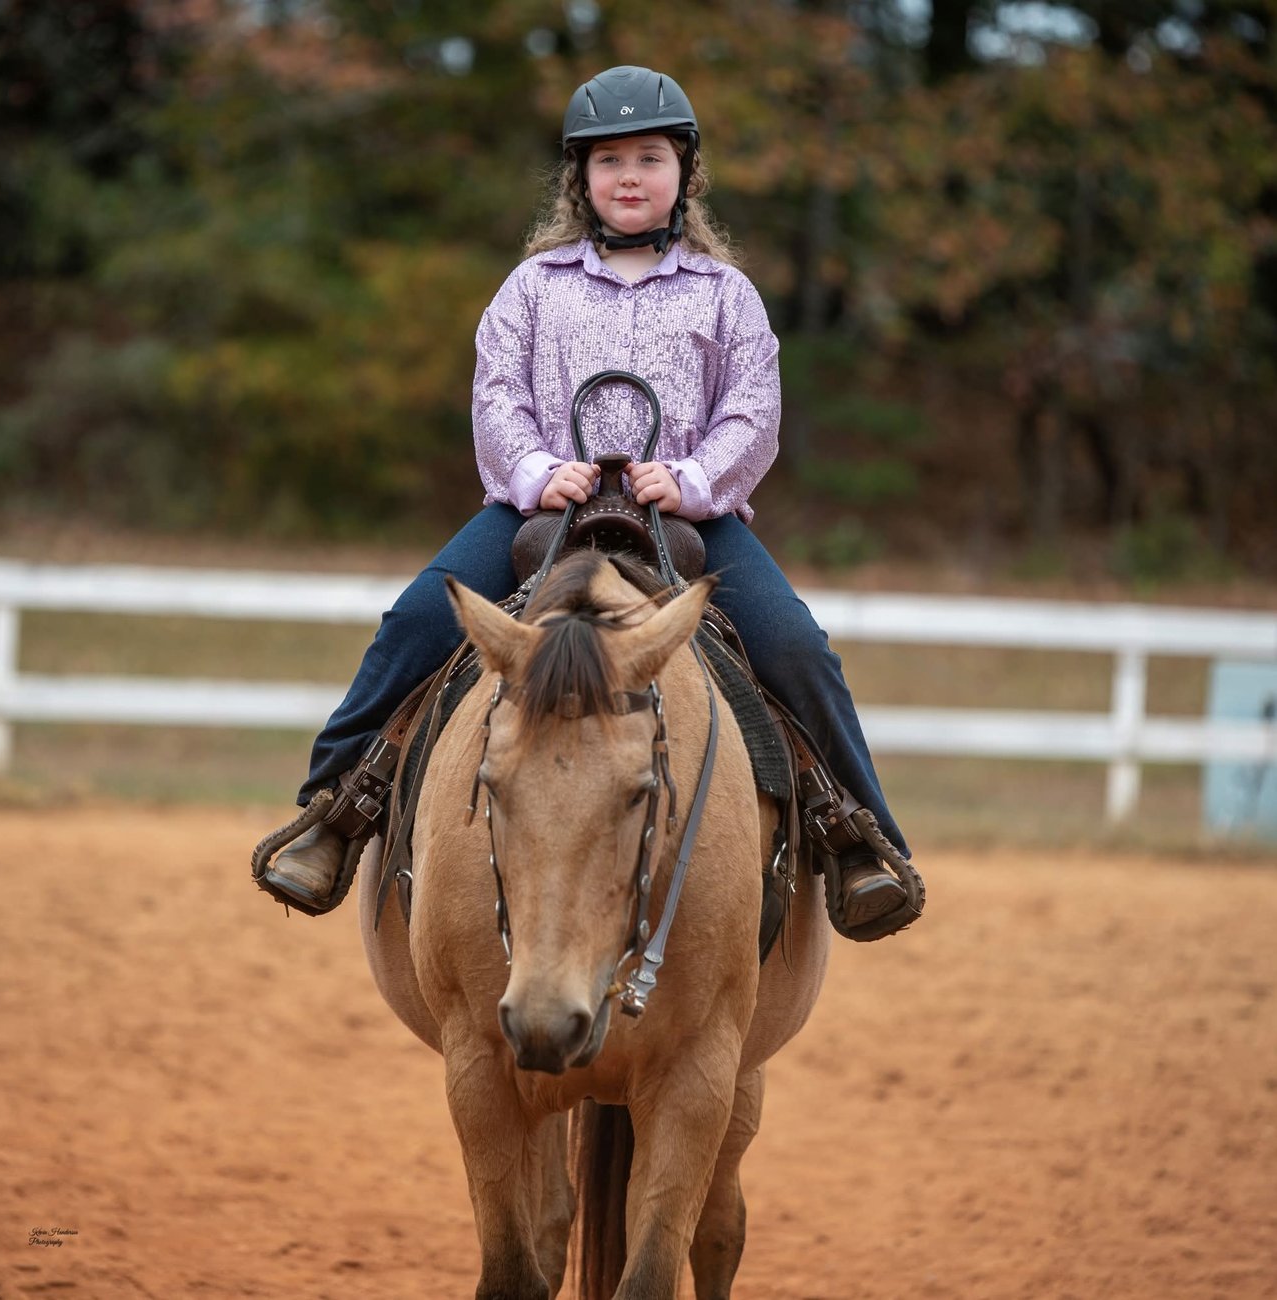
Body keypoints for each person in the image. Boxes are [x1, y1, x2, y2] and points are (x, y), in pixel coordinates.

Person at [261, 65, 916, 938]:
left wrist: (687, 480)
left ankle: (859, 839)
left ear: (686, 172)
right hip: (541, 514)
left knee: (796, 647)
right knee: (416, 621)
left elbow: (753, 416)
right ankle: (333, 813)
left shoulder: (726, 296)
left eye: (651, 157)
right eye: (610, 161)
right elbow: (496, 395)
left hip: (688, 519)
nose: (631, 177)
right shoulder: (532, 287)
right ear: (582, 179)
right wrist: (536, 469)